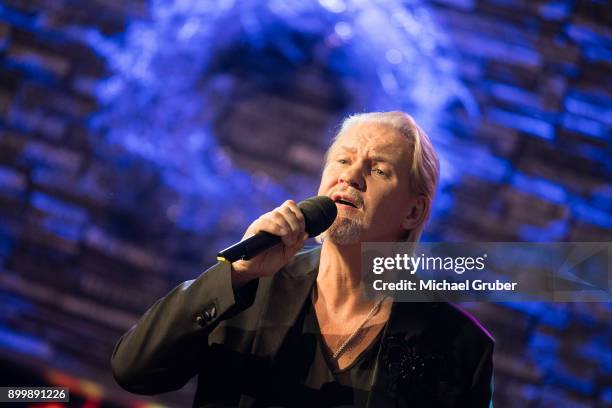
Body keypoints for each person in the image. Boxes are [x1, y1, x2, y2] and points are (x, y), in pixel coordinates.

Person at [111, 111, 494, 407]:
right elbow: (134, 371)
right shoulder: (248, 287)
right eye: (343, 161)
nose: (351, 177)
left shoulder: (459, 346)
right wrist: (235, 274)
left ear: (412, 213)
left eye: (377, 170)